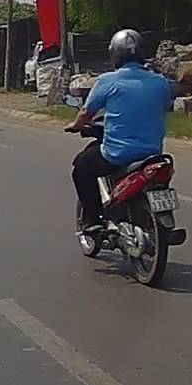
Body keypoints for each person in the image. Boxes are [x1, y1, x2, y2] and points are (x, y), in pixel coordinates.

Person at [64, 29, 172, 233]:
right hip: (152, 153)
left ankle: (94, 220)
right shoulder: (160, 82)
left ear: (114, 54)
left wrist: (76, 125)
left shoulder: (107, 81)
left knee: (82, 166)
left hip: (118, 154)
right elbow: (165, 106)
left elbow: (86, 112)